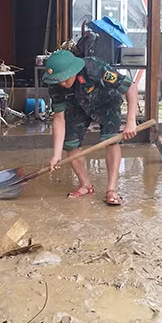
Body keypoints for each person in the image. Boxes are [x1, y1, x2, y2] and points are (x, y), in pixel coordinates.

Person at [43, 50, 138, 206]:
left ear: (72, 71)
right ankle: (85, 185)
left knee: (111, 141)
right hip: (78, 107)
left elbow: (130, 87)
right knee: (70, 144)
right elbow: (59, 117)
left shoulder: (95, 68)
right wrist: (56, 154)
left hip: (107, 103)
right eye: (57, 80)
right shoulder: (56, 84)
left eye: (64, 79)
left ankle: (111, 190)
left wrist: (131, 121)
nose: (61, 84)